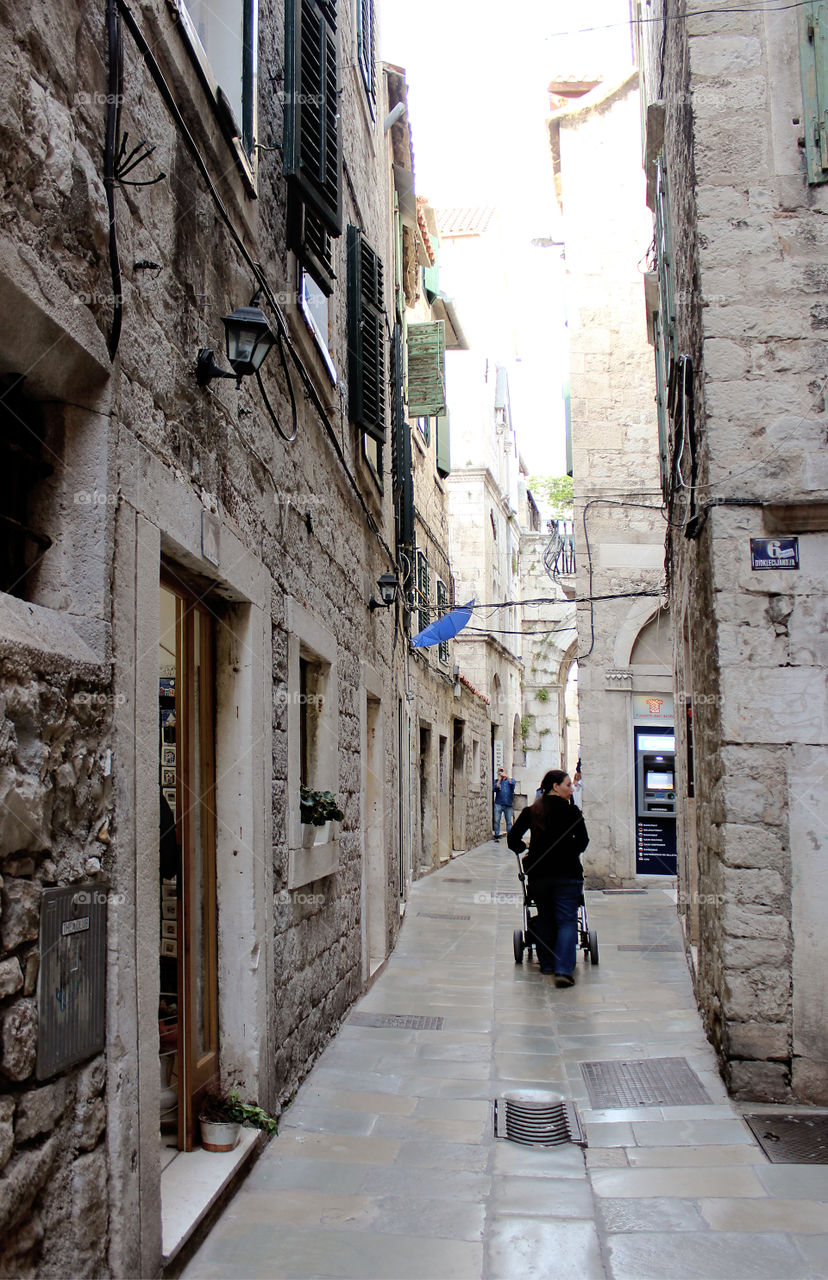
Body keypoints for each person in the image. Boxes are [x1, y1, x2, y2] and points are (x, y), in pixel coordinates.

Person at [507, 768, 589, 986]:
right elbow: (583, 842)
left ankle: (547, 964)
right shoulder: (572, 813)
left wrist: (525, 848)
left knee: (545, 917)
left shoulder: (532, 811)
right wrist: (569, 851)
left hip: (539, 875)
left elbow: (513, 839)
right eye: (568, 784)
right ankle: (563, 969)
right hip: (568, 874)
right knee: (567, 920)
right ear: (556, 787)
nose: (572, 789)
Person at [492, 767, 516, 840]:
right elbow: (495, 789)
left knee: (509, 821)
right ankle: (497, 835)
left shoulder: (511, 780)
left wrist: (506, 776)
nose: (501, 772)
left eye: (502, 770)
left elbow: (512, 785)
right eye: (500, 771)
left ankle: (510, 837)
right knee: (496, 820)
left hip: (508, 803)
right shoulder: (496, 781)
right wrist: (499, 780)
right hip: (498, 803)